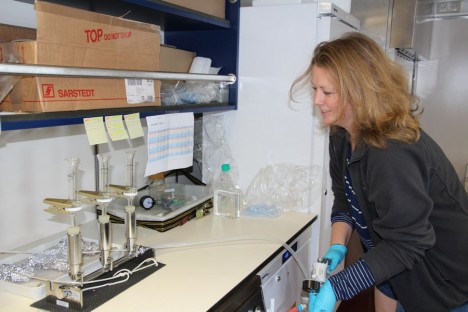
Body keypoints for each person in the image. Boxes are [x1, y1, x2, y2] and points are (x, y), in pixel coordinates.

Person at [291, 32, 468, 312]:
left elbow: (408, 242)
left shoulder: (390, 150)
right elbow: (346, 198)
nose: (316, 101)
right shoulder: (341, 135)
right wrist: (338, 247)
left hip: (445, 285)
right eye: (315, 89)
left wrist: (338, 287)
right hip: (397, 269)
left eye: (327, 92)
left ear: (358, 93)